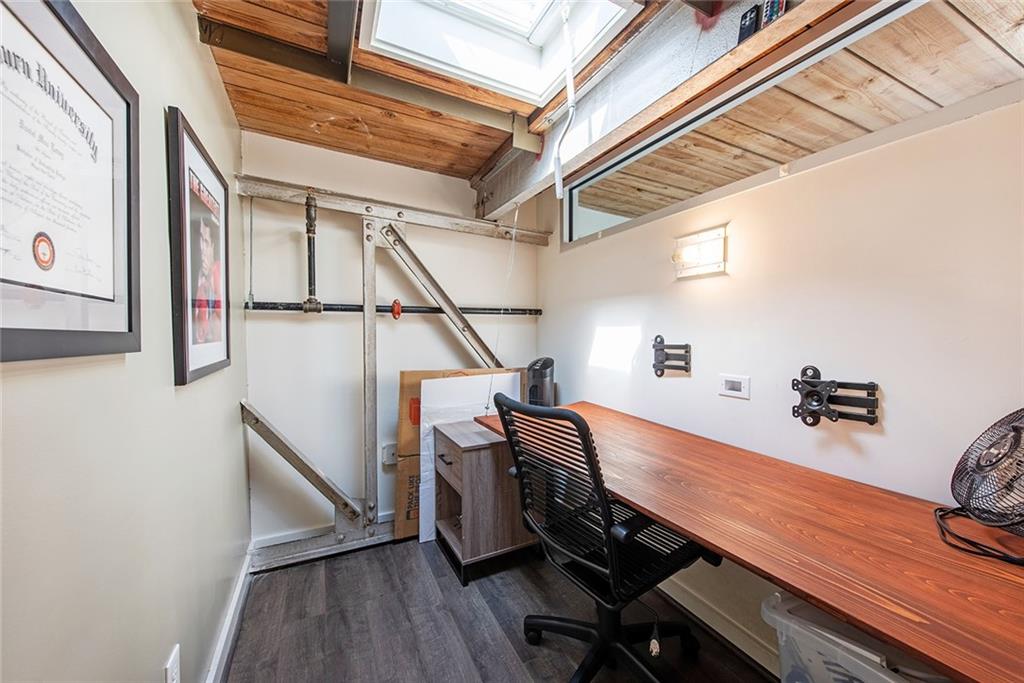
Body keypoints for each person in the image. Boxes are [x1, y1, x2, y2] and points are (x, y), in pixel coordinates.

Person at [193, 216, 222, 343]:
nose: (202, 250)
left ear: (212, 246)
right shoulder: (199, 282)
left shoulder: (219, 275)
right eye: (200, 241)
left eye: (205, 242)